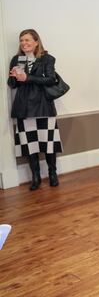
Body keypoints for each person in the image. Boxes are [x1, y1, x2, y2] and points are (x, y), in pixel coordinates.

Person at [7, 29, 63, 190]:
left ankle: (52, 173)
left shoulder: (46, 59)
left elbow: (51, 79)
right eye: (21, 40)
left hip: (44, 106)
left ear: (36, 42)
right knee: (29, 143)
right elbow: (13, 85)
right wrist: (14, 77)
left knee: (48, 142)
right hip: (24, 108)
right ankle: (36, 177)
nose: (24, 43)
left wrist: (28, 77)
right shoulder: (18, 59)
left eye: (27, 40)